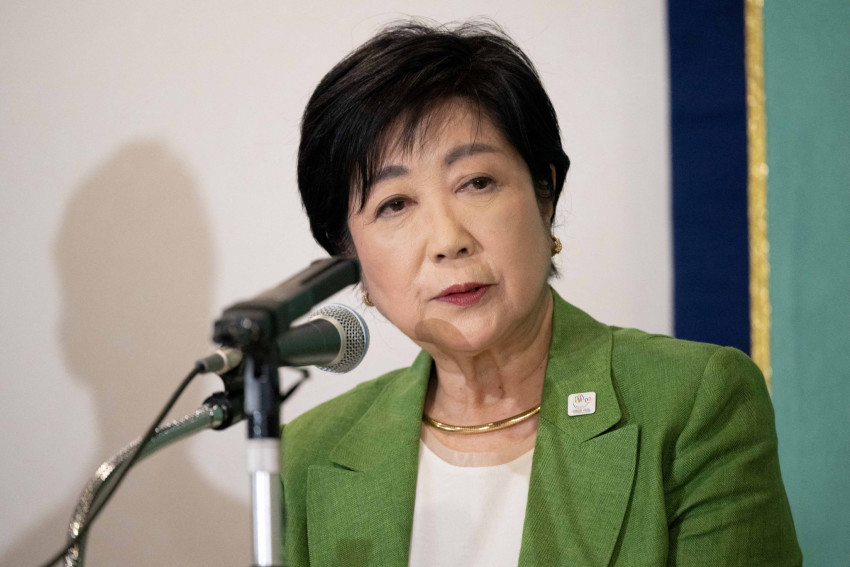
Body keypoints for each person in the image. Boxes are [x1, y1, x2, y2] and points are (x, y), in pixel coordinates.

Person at [282, 21, 801, 566]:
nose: (448, 240)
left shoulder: (695, 402)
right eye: (394, 204)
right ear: (350, 260)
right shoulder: (305, 455)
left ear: (544, 194)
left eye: (476, 183)